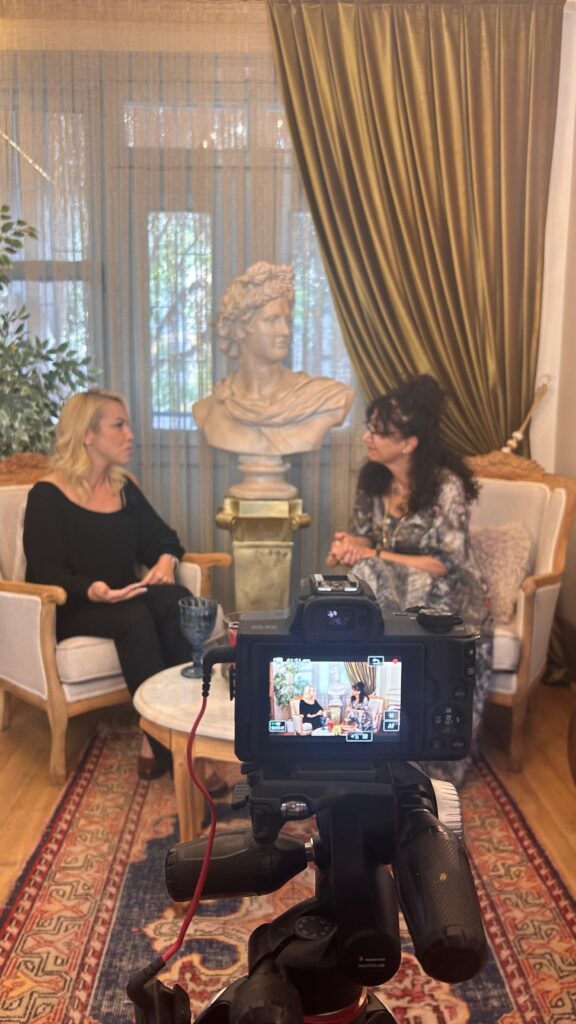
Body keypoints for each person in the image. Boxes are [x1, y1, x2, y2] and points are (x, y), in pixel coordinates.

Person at [23, 387, 195, 781]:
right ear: (87, 434)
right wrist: (92, 590)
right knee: (133, 617)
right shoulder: (47, 496)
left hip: (124, 597)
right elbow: (44, 574)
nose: (130, 435)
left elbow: (163, 539)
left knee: (178, 600)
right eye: (119, 425)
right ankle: (172, 749)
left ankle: (178, 728)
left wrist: (166, 560)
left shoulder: (123, 489)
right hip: (74, 606)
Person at [328, 375, 492, 786]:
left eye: (378, 432)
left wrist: (373, 555)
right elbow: (367, 538)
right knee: (362, 576)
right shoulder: (374, 481)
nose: (366, 437)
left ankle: (425, 754)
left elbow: (445, 564)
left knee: (370, 577)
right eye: (369, 428)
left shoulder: (446, 487)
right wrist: (350, 545)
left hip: (447, 594)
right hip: (393, 588)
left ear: (409, 443)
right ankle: (378, 734)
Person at [192, 262, 354, 457]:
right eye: (272, 320)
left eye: (287, 321)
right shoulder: (209, 409)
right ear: (239, 329)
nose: (285, 331)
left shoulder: (326, 398)